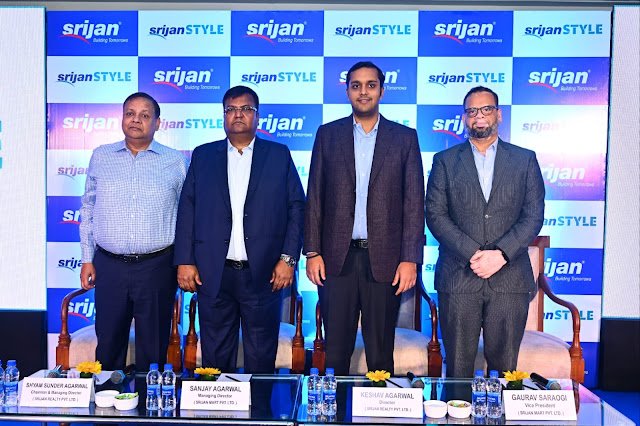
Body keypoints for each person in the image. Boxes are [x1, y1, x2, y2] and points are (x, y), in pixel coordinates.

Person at [304, 61, 425, 375]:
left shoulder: (404, 138)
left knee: (381, 354)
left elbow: (414, 203)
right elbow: (315, 196)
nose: (363, 92)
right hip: (335, 260)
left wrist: (410, 259)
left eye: (371, 85)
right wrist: (313, 252)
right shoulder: (328, 135)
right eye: (356, 85)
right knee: (335, 354)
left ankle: (380, 407)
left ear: (382, 91)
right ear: (347, 92)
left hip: (385, 261)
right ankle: (335, 407)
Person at [174, 85, 305, 373]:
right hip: (213, 273)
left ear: (257, 116)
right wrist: (185, 260)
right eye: (231, 109)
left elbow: (297, 207)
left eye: (246, 109)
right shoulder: (203, 156)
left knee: (261, 357)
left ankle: (259, 403)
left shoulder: (278, 155)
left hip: (264, 273)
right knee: (215, 356)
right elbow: (187, 210)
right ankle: (218, 404)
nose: (238, 115)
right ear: (223, 115)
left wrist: (288, 260)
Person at [425, 86, 545, 378]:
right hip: (459, 277)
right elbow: (435, 215)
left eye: (486, 109)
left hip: (509, 279)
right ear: (464, 118)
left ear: (498, 115)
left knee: (506, 372)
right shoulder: (445, 161)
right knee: (458, 370)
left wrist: (500, 254)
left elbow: (533, 216)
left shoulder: (525, 159)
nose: (479, 116)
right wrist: (474, 254)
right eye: (472, 111)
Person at [79, 92, 187, 371]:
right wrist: (87, 258)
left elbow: (188, 216)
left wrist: (185, 261)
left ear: (158, 123)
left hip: (157, 267)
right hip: (109, 265)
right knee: (108, 346)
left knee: (153, 348)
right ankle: (108, 398)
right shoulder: (101, 156)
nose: (136, 120)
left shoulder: (175, 161)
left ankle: (150, 398)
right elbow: (88, 208)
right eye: (130, 113)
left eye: (144, 115)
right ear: (122, 118)